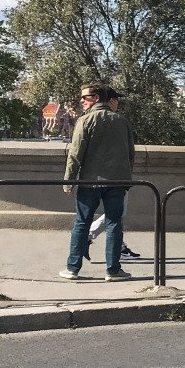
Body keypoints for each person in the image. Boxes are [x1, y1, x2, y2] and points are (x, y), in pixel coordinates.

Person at [61, 81, 135, 281]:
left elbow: (75, 155)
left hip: (89, 182)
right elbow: (130, 154)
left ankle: (73, 268)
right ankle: (113, 270)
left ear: (95, 98)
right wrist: (126, 179)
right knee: (114, 224)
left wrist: (69, 182)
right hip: (117, 182)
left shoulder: (85, 121)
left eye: (84, 97)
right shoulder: (122, 121)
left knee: (81, 223)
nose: (81, 101)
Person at [84, 90, 140, 260]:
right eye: (116, 100)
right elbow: (128, 151)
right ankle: (91, 237)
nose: (117, 104)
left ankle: (118, 246)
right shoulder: (118, 121)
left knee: (116, 214)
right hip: (115, 176)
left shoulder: (93, 120)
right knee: (117, 212)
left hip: (98, 175)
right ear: (110, 101)